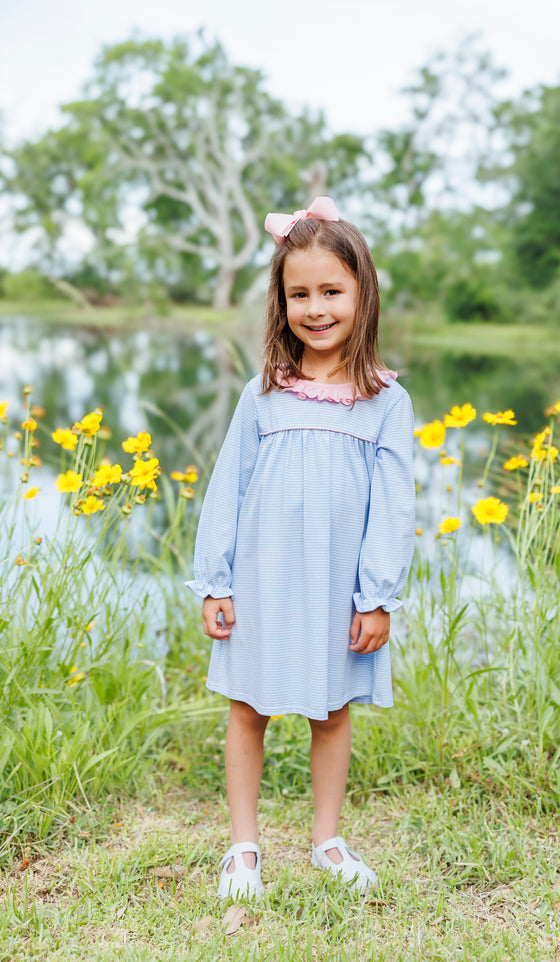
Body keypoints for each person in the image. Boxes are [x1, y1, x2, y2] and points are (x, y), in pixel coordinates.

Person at [186, 196, 415, 899]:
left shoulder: (384, 401)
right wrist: (214, 580)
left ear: (362, 295)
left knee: (331, 709)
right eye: (299, 293)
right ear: (281, 303)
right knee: (247, 707)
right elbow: (227, 488)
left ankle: (327, 839)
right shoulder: (264, 394)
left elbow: (395, 506)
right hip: (260, 580)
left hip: (336, 587)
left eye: (331, 291)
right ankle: (244, 847)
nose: (315, 307)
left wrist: (376, 596)